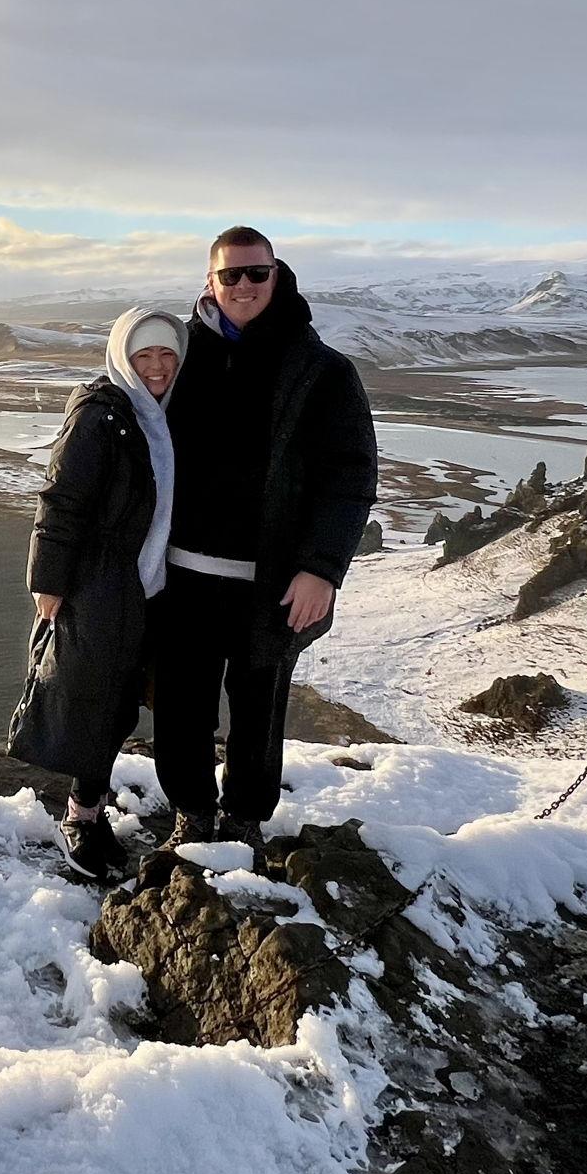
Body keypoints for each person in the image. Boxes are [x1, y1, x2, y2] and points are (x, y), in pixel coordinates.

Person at [153, 227, 378, 856]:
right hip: (181, 574)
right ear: (210, 281)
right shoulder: (177, 358)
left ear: (277, 275)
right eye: (231, 275)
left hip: (273, 580)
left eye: (258, 273)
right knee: (181, 705)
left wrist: (321, 568)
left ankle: (245, 819)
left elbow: (351, 478)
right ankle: (191, 813)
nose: (245, 285)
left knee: (259, 709)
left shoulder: (322, 369)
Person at [9, 307, 187, 880]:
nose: (157, 366)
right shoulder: (101, 415)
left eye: (167, 353)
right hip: (101, 585)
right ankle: (80, 816)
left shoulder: (165, 414)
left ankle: (91, 807)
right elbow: (60, 500)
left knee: (125, 702)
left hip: (150, 588)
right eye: (144, 355)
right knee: (97, 704)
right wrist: (48, 583)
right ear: (122, 358)